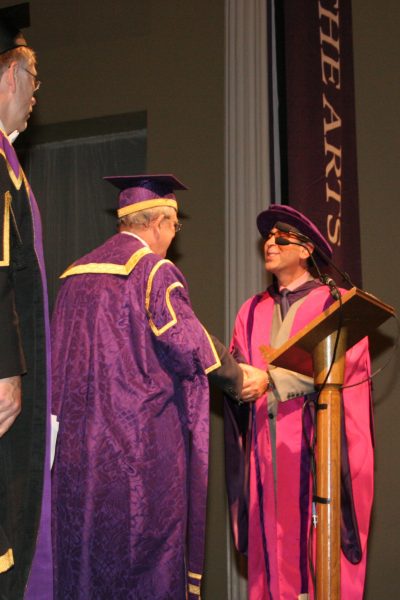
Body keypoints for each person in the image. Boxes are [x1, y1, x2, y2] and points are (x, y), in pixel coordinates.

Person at [51, 174, 268, 600]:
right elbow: (186, 339)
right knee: (140, 563)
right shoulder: (152, 269)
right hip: (137, 453)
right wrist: (240, 376)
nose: (172, 236)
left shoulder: (73, 276)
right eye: (174, 227)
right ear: (159, 223)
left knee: (83, 561)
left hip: (76, 455)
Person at [225, 204, 373, 600]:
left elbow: (348, 367)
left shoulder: (336, 303)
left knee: (312, 557)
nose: (269, 243)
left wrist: (272, 379)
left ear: (306, 250)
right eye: (268, 238)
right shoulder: (251, 310)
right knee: (270, 554)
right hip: (265, 455)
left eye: (281, 238)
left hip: (315, 451)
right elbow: (239, 372)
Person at [0, 4, 52, 599]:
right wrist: (6, 366)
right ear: (12, 76)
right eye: (35, 82)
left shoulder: (13, 163)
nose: (37, 96)